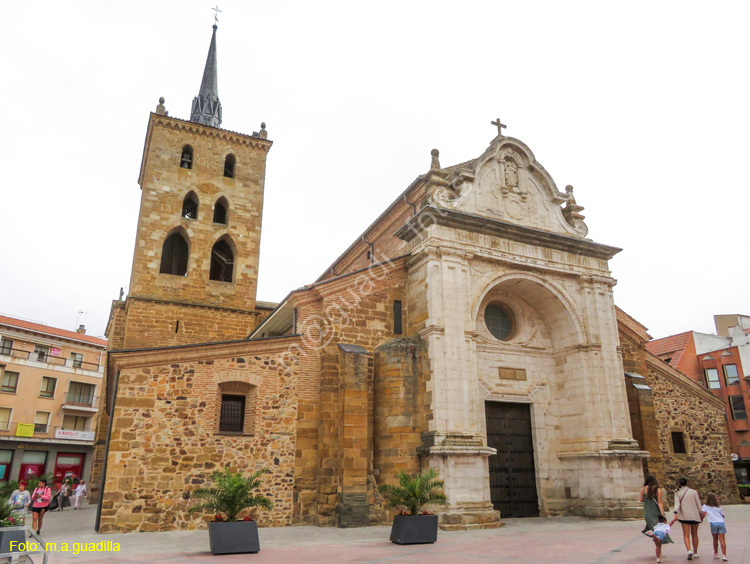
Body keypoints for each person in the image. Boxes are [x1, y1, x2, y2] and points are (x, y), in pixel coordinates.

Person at [670, 477, 703, 560]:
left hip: (684, 516)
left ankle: (689, 550)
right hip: (694, 515)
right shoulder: (693, 492)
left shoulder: (677, 492)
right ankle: (695, 552)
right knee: (695, 534)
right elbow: (698, 504)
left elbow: (677, 504)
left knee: (686, 535)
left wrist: (675, 512)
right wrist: (701, 514)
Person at [640, 474, 673, 548]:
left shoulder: (643, 489)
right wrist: (662, 513)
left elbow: (641, 500)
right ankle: (659, 551)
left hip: (648, 512)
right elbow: (660, 502)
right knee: (659, 530)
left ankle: (650, 534)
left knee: (654, 529)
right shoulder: (658, 490)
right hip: (656, 512)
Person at [701, 493, 727, 561]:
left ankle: (716, 553)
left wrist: (701, 519)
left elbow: (703, 514)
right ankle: (724, 555)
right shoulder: (718, 506)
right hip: (721, 522)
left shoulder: (705, 506)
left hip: (713, 523)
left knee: (715, 539)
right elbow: (723, 515)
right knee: (722, 540)